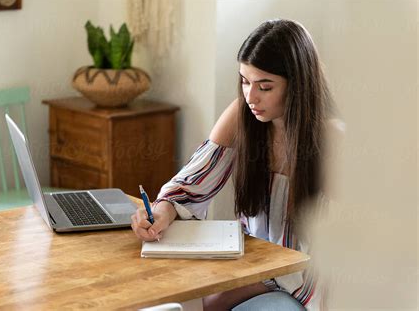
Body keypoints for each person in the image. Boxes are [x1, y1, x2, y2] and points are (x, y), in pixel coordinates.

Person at [131, 19, 343, 311]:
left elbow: (329, 260)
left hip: (303, 291)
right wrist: (160, 212)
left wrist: (237, 290)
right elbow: (190, 185)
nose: (250, 96)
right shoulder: (243, 115)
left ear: (298, 85)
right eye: (245, 81)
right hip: (245, 272)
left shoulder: (332, 139)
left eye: (265, 86)